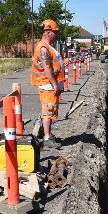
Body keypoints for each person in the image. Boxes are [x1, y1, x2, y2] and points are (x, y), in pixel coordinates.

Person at [31, 19, 65, 149]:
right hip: (47, 85)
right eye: (55, 32)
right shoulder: (43, 48)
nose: (56, 35)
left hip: (48, 84)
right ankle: (46, 137)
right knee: (47, 111)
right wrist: (55, 84)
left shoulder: (46, 47)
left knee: (49, 110)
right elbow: (47, 68)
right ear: (48, 32)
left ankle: (47, 134)